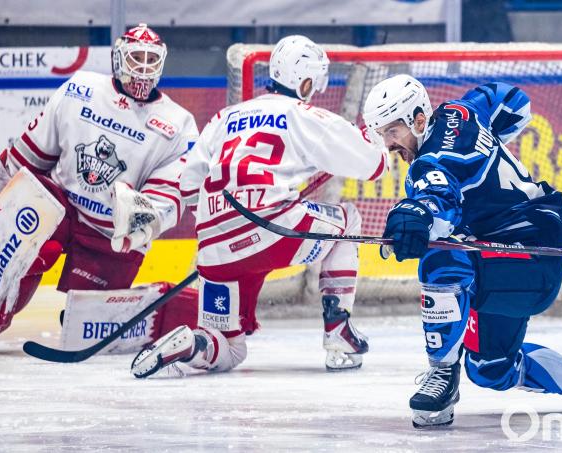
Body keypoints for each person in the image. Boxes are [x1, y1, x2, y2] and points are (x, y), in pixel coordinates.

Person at [361, 75, 562, 428]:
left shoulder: (433, 161)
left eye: (392, 131)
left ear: (419, 120)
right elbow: (512, 99)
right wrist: (488, 147)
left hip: (529, 257)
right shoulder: (461, 111)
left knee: (441, 257)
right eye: (382, 134)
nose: (388, 144)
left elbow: (439, 204)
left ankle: (442, 374)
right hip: (524, 253)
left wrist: (417, 214)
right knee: (491, 368)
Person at [0, 24, 199, 353]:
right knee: (21, 220)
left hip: (109, 233)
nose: (143, 68)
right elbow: (30, 156)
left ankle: (80, 317)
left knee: (89, 325)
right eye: (135, 58)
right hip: (58, 210)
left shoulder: (178, 124)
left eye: (150, 60)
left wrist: (138, 220)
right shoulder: (81, 89)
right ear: (118, 58)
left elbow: (168, 197)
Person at [129, 35, 389, 378]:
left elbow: (189, 185)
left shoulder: (223, 118)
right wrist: (377, 142)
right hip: (273, 230)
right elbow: (373, 166)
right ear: (306, 81)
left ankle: (193, 343)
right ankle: (338, 334)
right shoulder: (304, 115)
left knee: (229, 349)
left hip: (214, 251)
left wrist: (224, 227)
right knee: (349, 220)